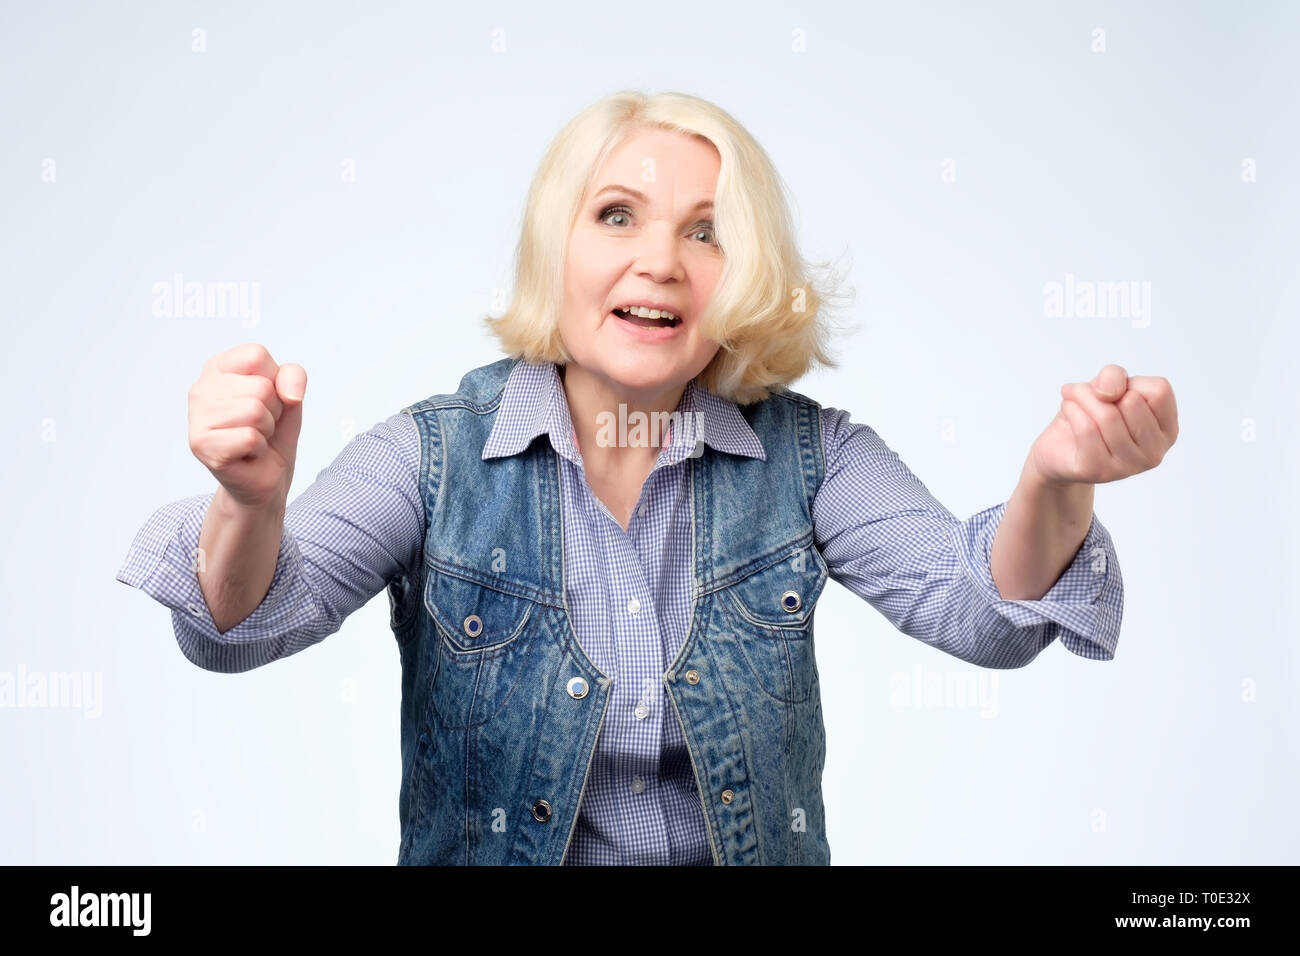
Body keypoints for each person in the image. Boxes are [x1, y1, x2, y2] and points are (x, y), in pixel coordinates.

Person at [117, 90, 1179, 865]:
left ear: (745, 275)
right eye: (616, 214)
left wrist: (1054, 477)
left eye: (706, 232)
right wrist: (248, 502)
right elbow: (238, 625)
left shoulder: (811, 459)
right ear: (556, 248)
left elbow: (978, 609)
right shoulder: (434, 455)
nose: (661, 259)